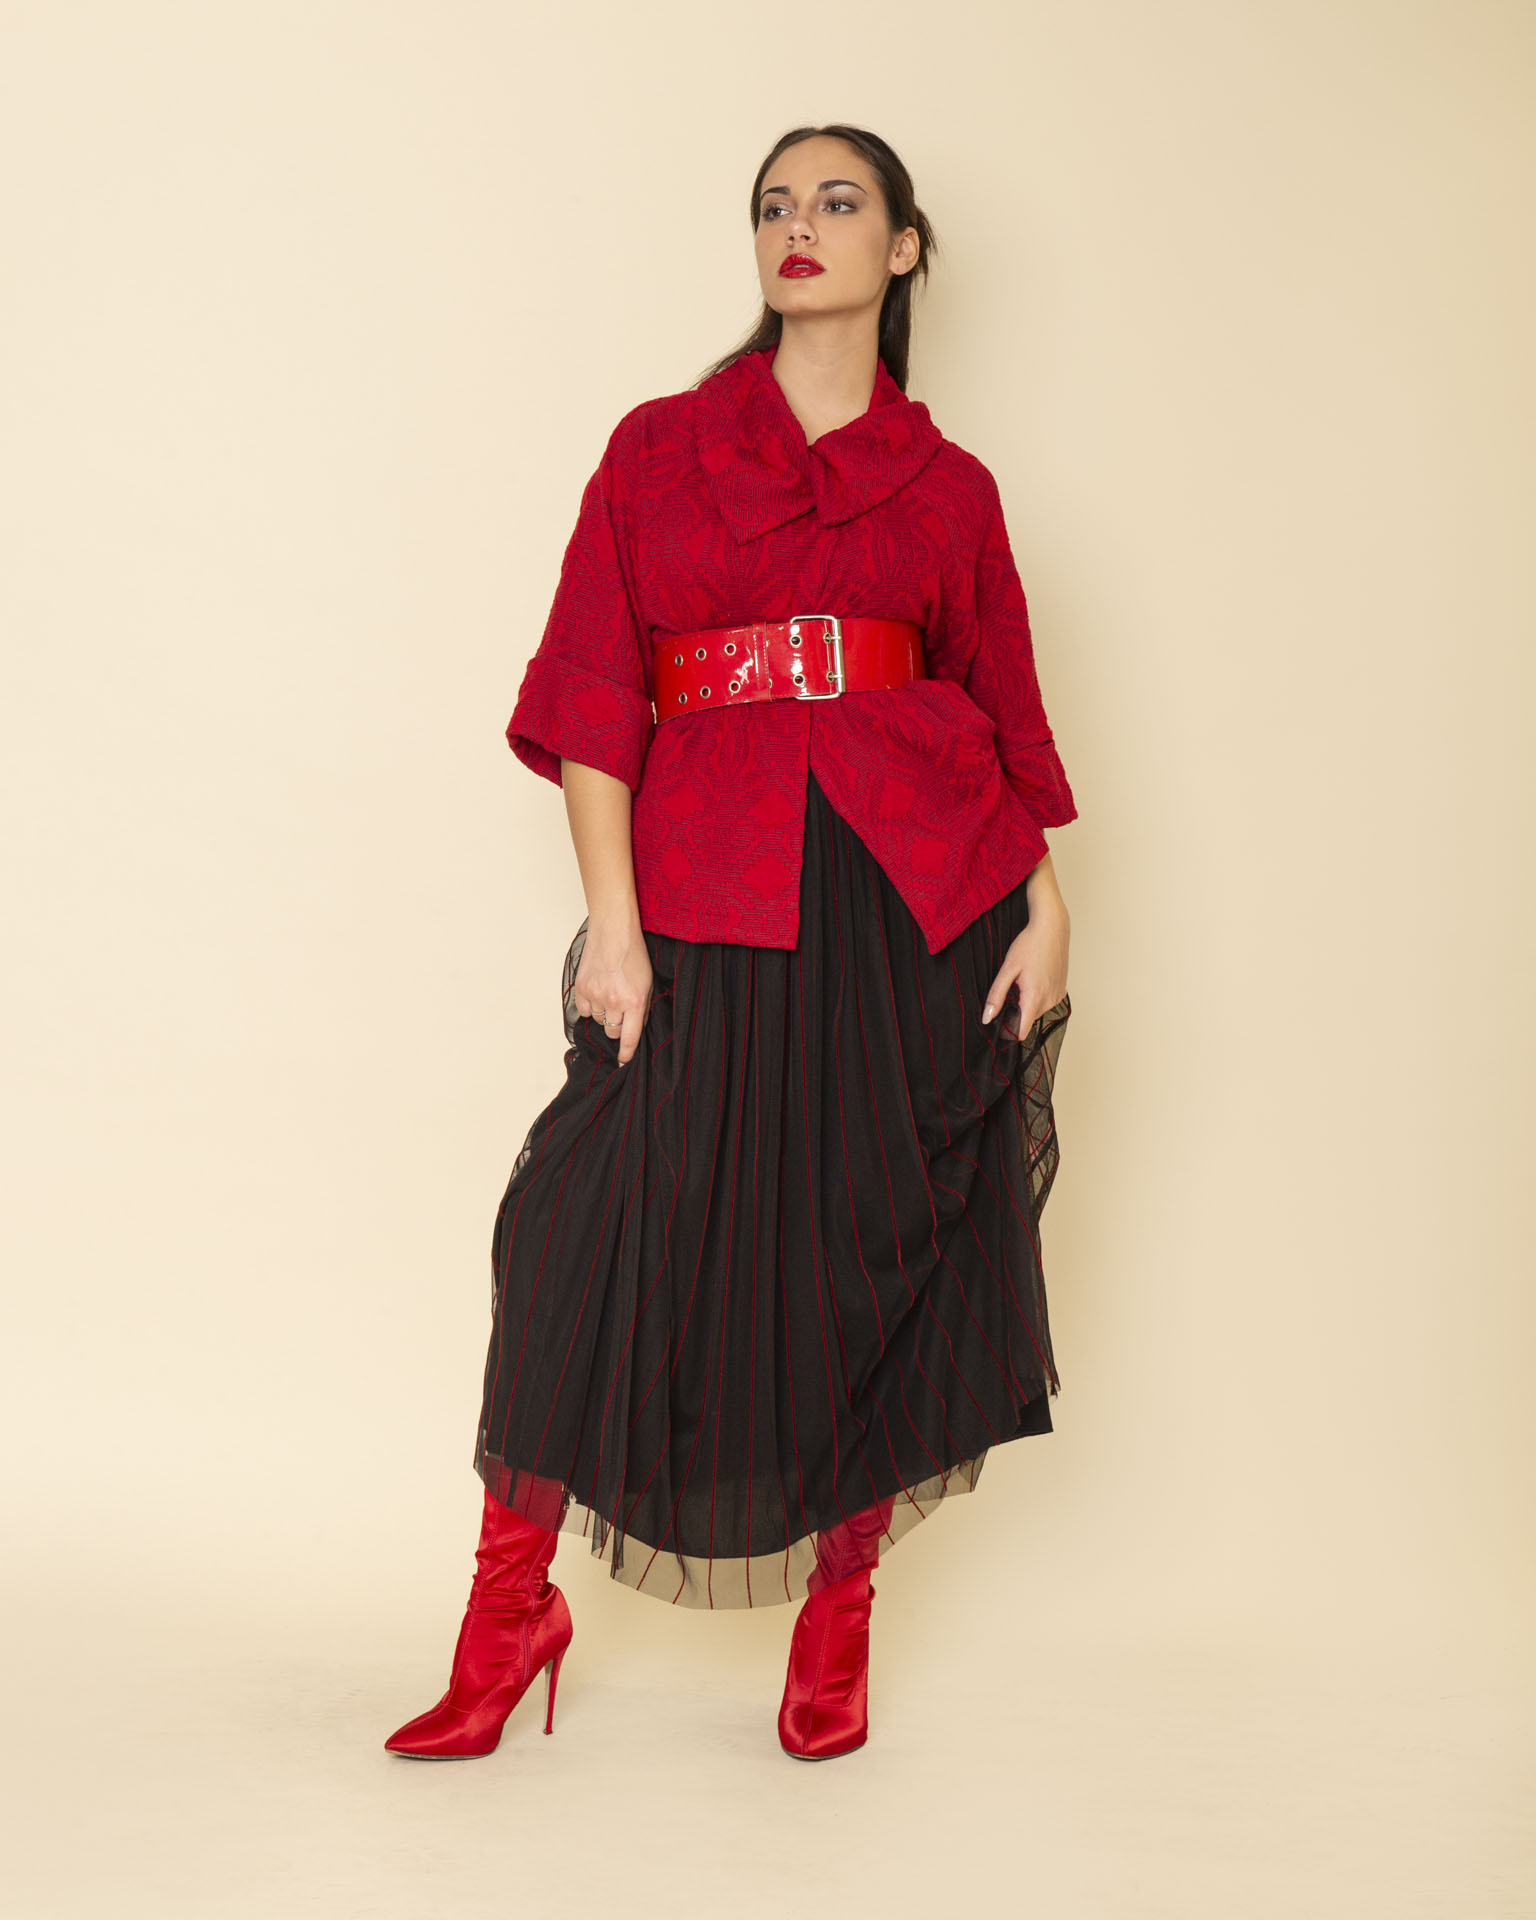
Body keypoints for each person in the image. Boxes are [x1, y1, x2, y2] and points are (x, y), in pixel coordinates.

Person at [384, 121, 1078, 1765]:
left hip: (914, 901)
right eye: (774, 205)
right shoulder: (660, 450)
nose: (798, 226)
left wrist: (1048, 904)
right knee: (578, 1231)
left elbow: (999, 711)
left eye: (839, 202)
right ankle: (507, 1617)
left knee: (868, 1244)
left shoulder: (952, 489)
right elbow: (591, 699)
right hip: (706, 886)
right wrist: (614, 931)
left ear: (903, 248)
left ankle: (839, 1618)